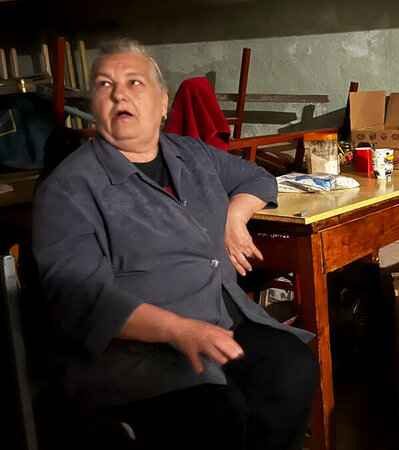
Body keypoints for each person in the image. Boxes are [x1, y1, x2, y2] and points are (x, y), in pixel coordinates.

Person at [32, 39, 318, 450]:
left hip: (220, 314)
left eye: (134, 82)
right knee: (216, 414)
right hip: (136, 347)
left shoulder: (192, 153)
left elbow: (256, 178)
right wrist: (177, 329)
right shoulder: (69, 189)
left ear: (163, 103)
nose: (118, 93)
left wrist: (233, 218)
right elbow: (80, 298)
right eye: (104, 84)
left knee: (293, 369)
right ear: (94, 105)